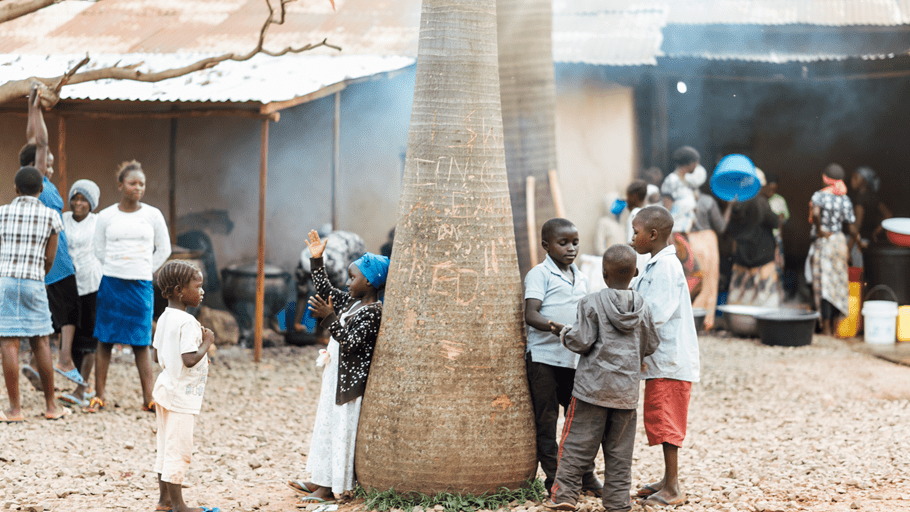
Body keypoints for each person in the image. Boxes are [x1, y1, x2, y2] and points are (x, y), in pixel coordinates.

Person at [545, 245, 660, 512]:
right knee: (620, 453)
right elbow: (652, 343)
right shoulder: (644, 308)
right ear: (635, 272)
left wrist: (563, 332)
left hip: (591, 391)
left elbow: (581, 341)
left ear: (604, 273)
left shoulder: (591, 302)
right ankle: (618, 501)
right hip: (625, 395)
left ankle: (565, 495)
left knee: (576, 444)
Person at [288, 230, 388, 504]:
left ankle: (331, 487)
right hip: (335, 378)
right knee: (325, 427)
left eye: (352, 277)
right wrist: (317, 260)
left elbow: (352, 343)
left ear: (369, 282)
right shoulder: (353, 302)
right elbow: (326, 290)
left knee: (339, 433)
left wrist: (330, 318)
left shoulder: (372, 312)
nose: (346, 282)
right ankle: (319, 479)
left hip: (349, 386)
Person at [523, 218, 602, 497]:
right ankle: (554, 481)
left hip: (572, 361)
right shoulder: (539, 274)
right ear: (546, 246)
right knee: (546, 421)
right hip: (544, 359)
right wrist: (556, 327)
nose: (571, 249)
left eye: (575, 242)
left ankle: (586, 476)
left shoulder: (580, 276)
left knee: (579, 420)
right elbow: (531, 314)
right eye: (563, 243)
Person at [629, 206, 700, 508]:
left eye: (636, 232)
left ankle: (672, 487)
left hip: (670, 360)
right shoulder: (654, 264)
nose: (632, 238)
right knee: (659, 417)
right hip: (662, 360)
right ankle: (666, 479)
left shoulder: (667, 268)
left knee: (667, 421)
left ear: (653, 235)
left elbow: (654, 315)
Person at [87, 160, 171, 413]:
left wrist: (145, 269)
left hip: (141, 285)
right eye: (133, 183)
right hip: (111, 283)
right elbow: (98, 248)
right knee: (105, 339)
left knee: (141, 341)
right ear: (121, 185)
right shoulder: (106, 216)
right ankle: (99, 395)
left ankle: (149, 398)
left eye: (142, 184)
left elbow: (164, 249)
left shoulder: (152, 215)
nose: (138, 187)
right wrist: (115, 267)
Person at [19, 85, 85, 388]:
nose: (50, 163)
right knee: (69, 312)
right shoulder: (41, 184)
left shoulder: (31, 182)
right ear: (37, 164)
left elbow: (33, 140)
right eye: (46, 161)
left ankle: (35, 364)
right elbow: (41, 142)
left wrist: (33, 105)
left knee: (47, 315)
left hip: (43, 262)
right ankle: (64, 359)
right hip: (55, 262)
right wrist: (42, 110)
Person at [0, 167, 69, 421]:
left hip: (6, 280)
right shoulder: (51, 216)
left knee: (8, 342)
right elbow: (50, 258)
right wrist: (40, 274)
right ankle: (52, 406)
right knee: (40, 340)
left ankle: (14, 409)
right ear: (41, 190)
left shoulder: (2, 213)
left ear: (15, 188)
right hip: (34, 280)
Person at [152, 260, 218, 512]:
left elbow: (157, 356)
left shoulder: (166, 317)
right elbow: (189, 359)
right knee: (178, 450)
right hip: (180, 397)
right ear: (180, 290)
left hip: (165, 389)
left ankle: (164, 501)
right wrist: (207, 342)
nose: (202, 292)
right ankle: (179, 506)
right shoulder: (188, 322)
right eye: (198, 286)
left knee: (165, 448)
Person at [58, 180, 103, 407]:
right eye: (75, 197)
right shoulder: (63, 219)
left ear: (92, 203)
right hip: (67, 283)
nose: (78, 203)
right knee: (70, 336)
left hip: (91, 283)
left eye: (84, 199)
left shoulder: (98, 222)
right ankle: (80, 384)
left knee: (89, 336)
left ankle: (82, 387)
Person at [810, 164, 858, 336]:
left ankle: (826, 328)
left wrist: (820, 230)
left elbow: (815, 214)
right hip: (839, 242)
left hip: (825, 242)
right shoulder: (845, 199)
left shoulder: (819, 196)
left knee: (824, 285)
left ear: (824, 178)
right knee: (838, 285)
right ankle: (837, 328)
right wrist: (855, 243)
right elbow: (852, 226)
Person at [724, 170, 782, 310]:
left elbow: (728, 229)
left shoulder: (736, 203)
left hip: (741, 256)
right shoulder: (761, 201)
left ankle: (739, 322)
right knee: (763, 296)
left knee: (740, 294)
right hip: (762, 257)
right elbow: (774, 222)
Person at [293, 225, 366, 333]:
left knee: (342, 294)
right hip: (335, 243)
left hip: (354, 246)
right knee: (324, 297)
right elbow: (302, 294)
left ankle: (347, 329)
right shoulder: (302, 266)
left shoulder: (335, 266)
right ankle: (322, 332)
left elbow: (334, 297)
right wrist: (297, 323)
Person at [687, 167, 733, 331]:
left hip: (685, 242)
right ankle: (704, 321)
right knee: (708, 284)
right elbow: (721, 227)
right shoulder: (708, 201)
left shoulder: (679, 199)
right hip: (707, 244)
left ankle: (685, 320)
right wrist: (729, 207)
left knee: (688, 283)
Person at [661, 148, 704, 299]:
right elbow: (666, 210)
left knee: (684, 276)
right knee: (695, 275)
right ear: (690, 163)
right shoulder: (672, 181)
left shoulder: (685, 182)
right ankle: (679, 307)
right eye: (696, 163)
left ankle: (679, 309)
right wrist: (668, 236)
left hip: (683, 234)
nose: (697, 167)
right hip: (675, 234)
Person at [849, 166, 892, 268]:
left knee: (857, 273)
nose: (852, 181)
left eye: (855, 178)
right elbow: (889, 215)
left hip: (859, 242)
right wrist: (876, 231)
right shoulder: (874, 197)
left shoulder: (860, 198)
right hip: (870, 241)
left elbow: (857, 225)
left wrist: (848, 248)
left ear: (864, 182)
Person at [625, 180, 652, 276]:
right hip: (647, 256)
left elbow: (631, 242)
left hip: (636, 257)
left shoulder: (634, 213)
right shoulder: (647, 211)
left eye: (628, 196)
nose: (626, 200)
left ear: (634, 196)